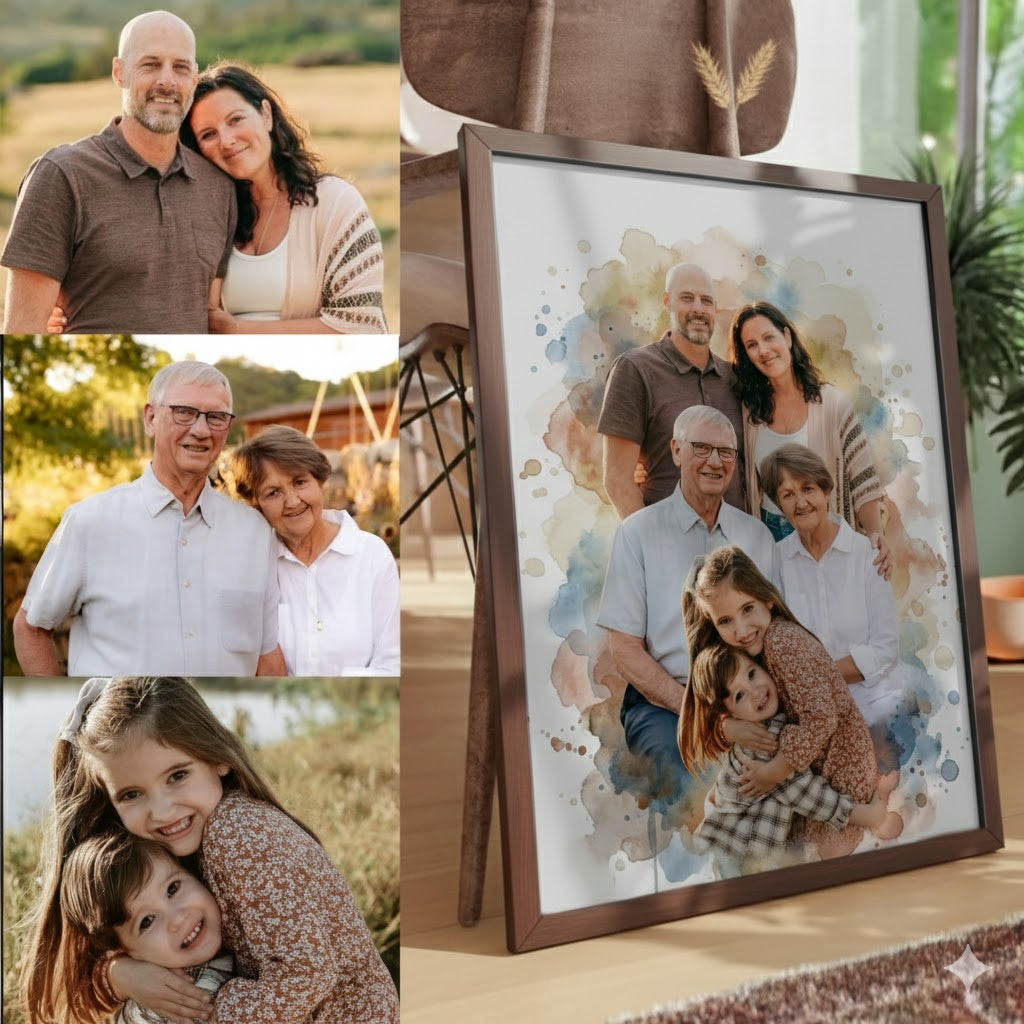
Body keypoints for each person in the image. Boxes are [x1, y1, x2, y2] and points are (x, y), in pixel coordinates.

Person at [21, 676, 400, 1024]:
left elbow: (307, 973)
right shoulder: (170, 848)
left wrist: (214, 1010)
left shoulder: (238, 838)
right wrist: (120, 973)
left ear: (217, 757)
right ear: (110, 802)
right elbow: (69, 974)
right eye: (132, 794)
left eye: (177, 775)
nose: (162, 811)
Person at [12, 361, 284, 677]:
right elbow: (31, 628)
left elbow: (267, 653)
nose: (201, 430)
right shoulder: (89, 522)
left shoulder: (255, 532)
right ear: (151, 418)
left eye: (216, 417)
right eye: (184, 412)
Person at [1, 11, 236, 333]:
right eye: (150, 64)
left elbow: (209, 316)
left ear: (194, 78)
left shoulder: (219, 188)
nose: (167, 81)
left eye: (180, 67)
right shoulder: (62, 175)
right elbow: (23, 327)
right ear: (119, 72)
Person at [595, 405, 777, 807]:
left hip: (749, 698)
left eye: (725, 452)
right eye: (701, 448)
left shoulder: (757, 537)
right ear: (676, 451)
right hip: (666, 704)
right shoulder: (637, 533)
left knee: (790, 775)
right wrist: (709, 720)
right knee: (683, 789)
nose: (714, 461)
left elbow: (776, 633)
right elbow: (624, 650)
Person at [683, 545, 882, 857]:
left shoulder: (781, 642)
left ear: (766, 599)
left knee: (822, 852)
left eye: (747, 609)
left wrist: (775, 770)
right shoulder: (753, 649)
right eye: (725, 621)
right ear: (713, 623)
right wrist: (726, 725)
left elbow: (821, 719)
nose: (741, 630)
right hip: (823, 762)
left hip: (840, 766)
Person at [180, 63, 387, 334]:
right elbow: (201, 321)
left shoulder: (336, 201)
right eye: (208, 134)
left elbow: (362, 327)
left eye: (236, 120)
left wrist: (238, 330)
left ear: (266, 115)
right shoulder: (210, 217)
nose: (226, 140)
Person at [680, 643, 902, 871]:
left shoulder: (766, 725)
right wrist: (871, 817)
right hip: (736, 861)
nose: (755, 691)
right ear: (728, 716)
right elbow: (811, 796)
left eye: (751, 674)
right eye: (739, 695)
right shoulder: (764, 746)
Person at [760, 443, 912, 765]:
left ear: (826, 490)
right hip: (810, 712)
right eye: (788, 495)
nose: (801, 502)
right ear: (779, 504)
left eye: (808, 489)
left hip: (873, 702)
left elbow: (885, 648)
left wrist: (818, 676)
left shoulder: (868, 555)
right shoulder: (776, 562)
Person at [229, 425, 400, 675]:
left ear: (321, 483)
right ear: (257, 505)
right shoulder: (251, 567)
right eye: (273, 493)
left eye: (300, 482)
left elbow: (393, 666)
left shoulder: (372, 556)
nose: (292, 501)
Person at [729, 301, 887, 551]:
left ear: (787, 337)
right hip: (770, 536)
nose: (763, 350)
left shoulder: (833, 404)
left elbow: (862, 478)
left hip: (826, 533)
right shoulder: (750, 414)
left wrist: (875, 534)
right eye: (752, 345)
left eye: (769, 337)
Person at [597, 262, 745, 518]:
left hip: (735, 540)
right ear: (667, 302)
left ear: (715, 308)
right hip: (664, 539)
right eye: (687, 298)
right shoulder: (636, 369)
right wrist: (649, 541)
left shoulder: (735, 378)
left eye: (706, 301)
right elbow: (618, 480)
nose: (698, 308)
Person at [53, 831, 234, 1024]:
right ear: (124, 951)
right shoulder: (185, 1004)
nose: (178, 919)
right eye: (147, 921)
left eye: (172, 888)